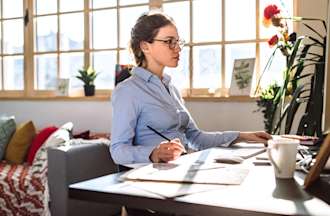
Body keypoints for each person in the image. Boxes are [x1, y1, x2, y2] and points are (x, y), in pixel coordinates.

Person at [110, 11, 271, 167]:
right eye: (169, 41)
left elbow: (197, 138)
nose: (178, 48)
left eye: (178, 42)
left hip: (182, 168)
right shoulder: (128, 91)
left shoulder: (171, 87)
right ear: (145, 46)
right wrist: (153, 153)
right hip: (149, 178)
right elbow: (118, 150)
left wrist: (243, 136)